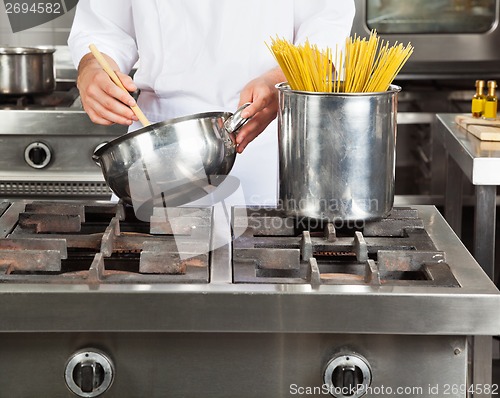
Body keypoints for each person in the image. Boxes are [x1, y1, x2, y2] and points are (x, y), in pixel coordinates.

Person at [68, 1, 355, 207]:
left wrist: (283, 81)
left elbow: (326, 27)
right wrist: (92, 68)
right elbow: (103, 29)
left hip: (264, 141)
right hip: (159, 150)